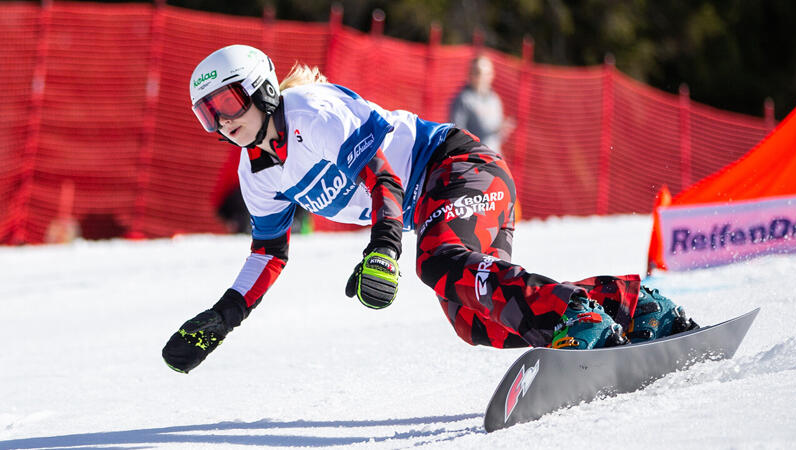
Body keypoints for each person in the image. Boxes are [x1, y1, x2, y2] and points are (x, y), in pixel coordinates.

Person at [162, 45, 698, 373]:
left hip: (459, 164)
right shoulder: (256, 173)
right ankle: (631, 304)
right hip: (431, 201)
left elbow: (383, 175)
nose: (221, 121)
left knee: (437, 261)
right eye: (206, 115)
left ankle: (577, 318)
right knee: (473, 320)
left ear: (260, 90)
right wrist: (223, 316)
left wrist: (385, 248)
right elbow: (269, 252)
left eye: (227, 103)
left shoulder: (312, 113)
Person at [449, 55, 514, 154]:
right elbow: (457, 133)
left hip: (494, 156)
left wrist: (502, 130)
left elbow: (497, 137)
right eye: (477, 72)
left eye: (486, 73)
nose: (480, 76)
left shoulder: (495, 100)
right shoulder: (463, 99)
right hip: (473, 158)